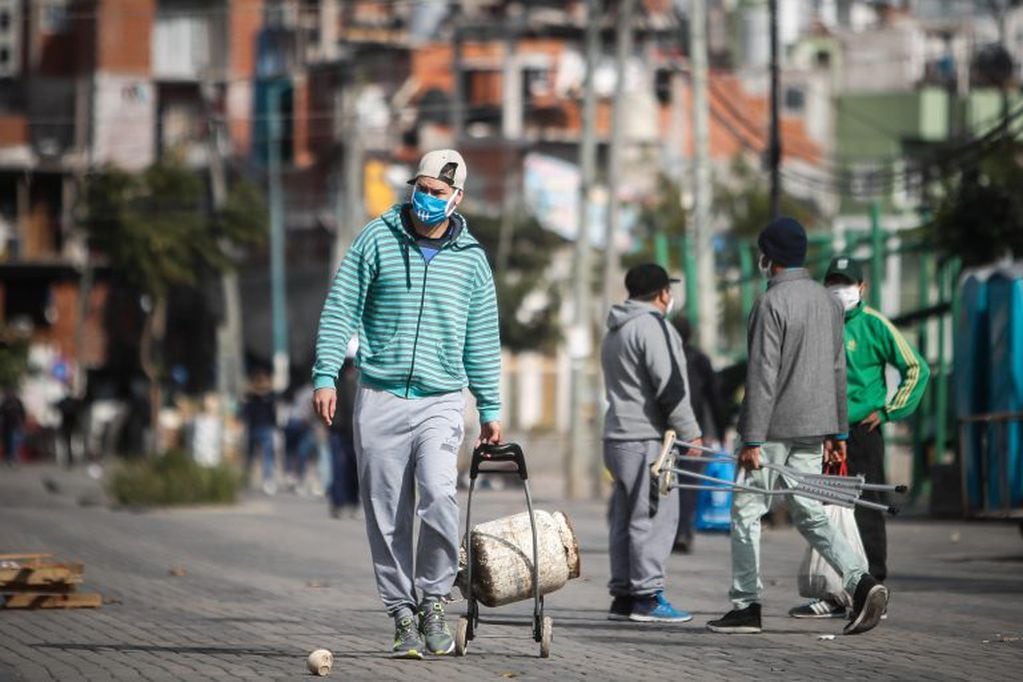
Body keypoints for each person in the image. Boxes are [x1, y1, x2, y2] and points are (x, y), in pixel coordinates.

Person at [311, 149, 501, 659]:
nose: (426, 199)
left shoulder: (472, 260)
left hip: (441, 398)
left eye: (438, 193)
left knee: (440, 496)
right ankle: (401, 613)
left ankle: (434, 599)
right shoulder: (377, 237)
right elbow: (341, 307)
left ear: (457, 198)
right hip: (380, 396)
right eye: (421, 188)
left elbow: (482, 338)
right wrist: (326, 375)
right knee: (386, 513)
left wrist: (490, 407)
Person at [706, 217, 888, 637]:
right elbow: (839, 371)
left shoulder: (771, 303)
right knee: (809, 513)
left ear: (768, 257)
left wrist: (751, 437)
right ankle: (860, 581)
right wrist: (839, 433)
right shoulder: (828, 303)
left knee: (747, 512)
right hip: (817, 427)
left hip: (771, 430)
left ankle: (746, 604)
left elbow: (762, 375)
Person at [789, 257, 929, 619]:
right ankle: (837, 593)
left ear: (862, 288)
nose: (840, 289)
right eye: (833, 282)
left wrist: (887, 410)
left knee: (865, 511)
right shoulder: (816, 324)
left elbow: (916, 368)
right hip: (823, 432)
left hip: (861, 434)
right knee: (826, 513)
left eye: (847, 283)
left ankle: (874, 589)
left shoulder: (874, 325)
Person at [601, 263, 703, 623]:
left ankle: (624, 595)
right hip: (646, 438)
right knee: (654, 516)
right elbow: (670, 385)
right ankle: (647, 596)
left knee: (626, 516)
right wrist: (691, 431)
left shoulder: (615, 328)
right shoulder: (653, 326)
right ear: (663, 294)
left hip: (616, 435)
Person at [670, 316, 728, 554]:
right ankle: (683, 531)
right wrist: (721, 430)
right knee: (688, 484)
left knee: (666, 484)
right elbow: (715, 398)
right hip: (694, 432)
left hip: (665, 431)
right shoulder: (699, 359)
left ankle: (671, 532)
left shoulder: (666, 357)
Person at [328, 357, 359, 518]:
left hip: (353, 432)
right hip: (339, 432)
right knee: (339, 469)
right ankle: (339, 503)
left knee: (353, 470)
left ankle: (353, 502)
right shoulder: (337, 382)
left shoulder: (357, 383)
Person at [240, 369, 278, 495]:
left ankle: (254, 480)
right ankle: (259, 480)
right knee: (261, 456)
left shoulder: (262, 396)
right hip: (259, 428)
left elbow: (245, 412)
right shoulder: (256, 396)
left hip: (260, 428)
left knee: (259, 456)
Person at [1, 388, 26, 467]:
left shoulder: (17, 402)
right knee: (8, 443)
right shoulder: (5, 403)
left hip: (15, 426)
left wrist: (22, 422)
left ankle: (14, 459)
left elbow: (23, 413)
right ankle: (10, 459)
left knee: (14, 442)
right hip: (7, 426)